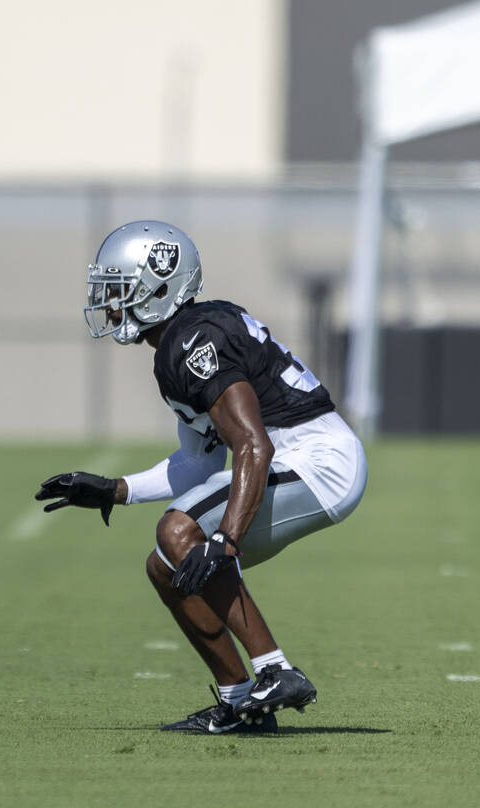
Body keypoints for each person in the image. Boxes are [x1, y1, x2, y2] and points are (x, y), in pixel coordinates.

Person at [35, 221, 367, 734]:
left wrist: (226, 540)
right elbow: (198, 464)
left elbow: (254, 444)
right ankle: (239, 703)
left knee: (178, 533)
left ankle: (275, 670)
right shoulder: (184, 342)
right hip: (295, 456)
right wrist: (114, 490)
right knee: (166, 565)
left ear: (158, 288)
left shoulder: (193, 341)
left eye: (119, 287)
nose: (110, 302)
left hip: (317, 458)